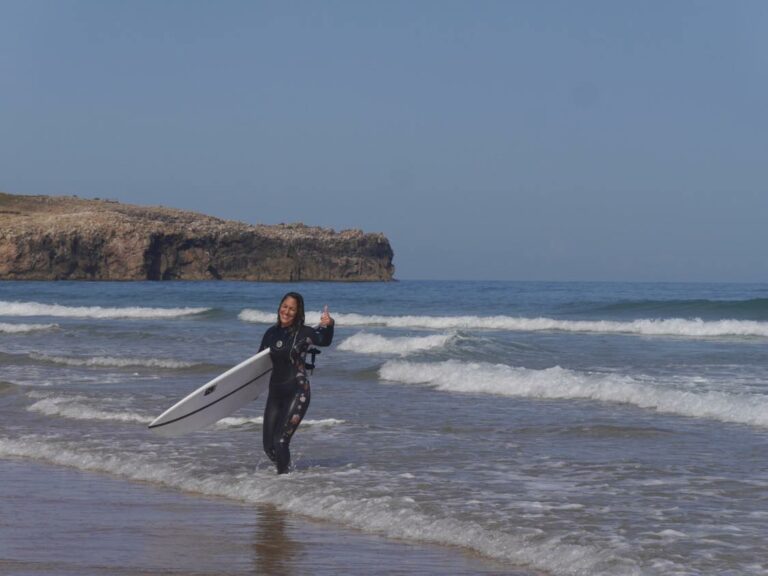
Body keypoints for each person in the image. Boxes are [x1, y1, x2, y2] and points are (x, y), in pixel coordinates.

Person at [259, 292, 334, 474]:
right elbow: (258, 363)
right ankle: (286, 473)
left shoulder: (304, 332)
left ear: (298, 312)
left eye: (292, 309)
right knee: (269, 446)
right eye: (284, 306)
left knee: (281, 441)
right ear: (279, 307)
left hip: (297, 391)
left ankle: (282, 481)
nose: (287, 311)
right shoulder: (270, 333)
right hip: (275, 394)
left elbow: (325, 340)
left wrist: (329, 325)